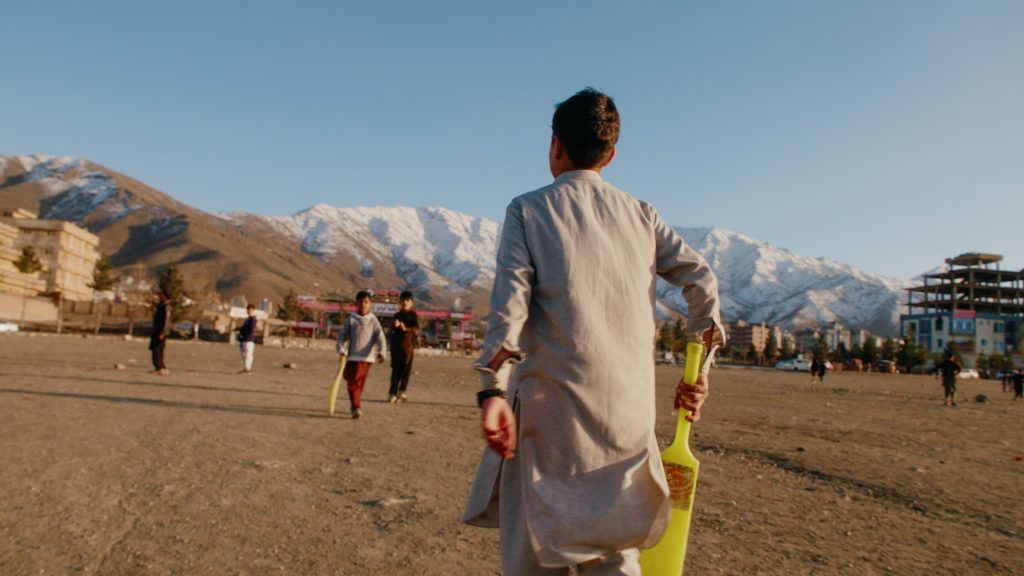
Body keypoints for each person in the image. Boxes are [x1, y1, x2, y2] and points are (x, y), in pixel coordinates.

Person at [462, 88, 725, 576]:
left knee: (535, 553)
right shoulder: (643, 216)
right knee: (617, 553)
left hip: (548, 425)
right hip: (627, 424)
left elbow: (508, 311)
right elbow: (702, 282)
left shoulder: (529, 210)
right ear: (611, 154)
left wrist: (492, 391)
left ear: (555, 146)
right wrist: (699, 369)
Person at [336, 291, 387, 419]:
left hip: (367, 358)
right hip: (352, 357)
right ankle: (356, 407)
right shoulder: (351, 319)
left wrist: (382, 352)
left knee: (359, 383)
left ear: (370, 304)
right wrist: (341, 349)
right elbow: (342, 336)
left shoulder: (373, 320)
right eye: (360, 302)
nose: (363, 304)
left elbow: (380, 337)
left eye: (366, 302)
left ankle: (355, 404)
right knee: (353, 381)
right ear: (356, 303)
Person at [388, 291, 419, 403]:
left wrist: (406, 328)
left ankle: (402, 391)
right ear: (400, 302)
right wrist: (394, 325)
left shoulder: (413, 315)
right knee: (395, 371)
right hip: (397, 348)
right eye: (403, 300)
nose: (405, 302)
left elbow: (416, 329)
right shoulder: (397, 315)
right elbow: (391, 330)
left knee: (406, 371)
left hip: (408, 348)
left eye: (408, 300)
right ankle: (392, 393)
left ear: (411, 302)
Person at [149, 290, 171, 375]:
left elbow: (166, 320)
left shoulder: (167, 307)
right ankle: (158, 366)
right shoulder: (161, 306)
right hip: (156, 330)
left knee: (158, 349)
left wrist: (163, 332)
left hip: (160, 331)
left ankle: (160, 367)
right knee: (155, 348)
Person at [237, 304, 258, 374]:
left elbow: (251, 329)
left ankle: (248, 369)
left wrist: (245, 332)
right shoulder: (247, 319)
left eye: (250, 309)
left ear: (253, 310)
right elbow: (244, 328)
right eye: (248, 309)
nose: (249, 311)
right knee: (243, 354)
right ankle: (246, 368)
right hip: (244, 339)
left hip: (249, 339)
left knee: (248, 354)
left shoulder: (253, 319)